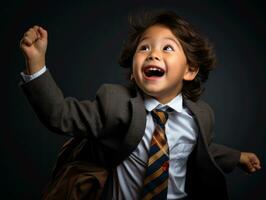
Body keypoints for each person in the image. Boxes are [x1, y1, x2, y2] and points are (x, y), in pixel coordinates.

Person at [19, 10, 261, 200]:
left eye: (167, 48)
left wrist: (237, 157)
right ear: (134, 73)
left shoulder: (201, 116)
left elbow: (201, 149)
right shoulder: (114, 104)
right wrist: (36, 63)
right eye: (144, 47)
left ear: (189, 70)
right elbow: (60, 114)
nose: (152, 54)